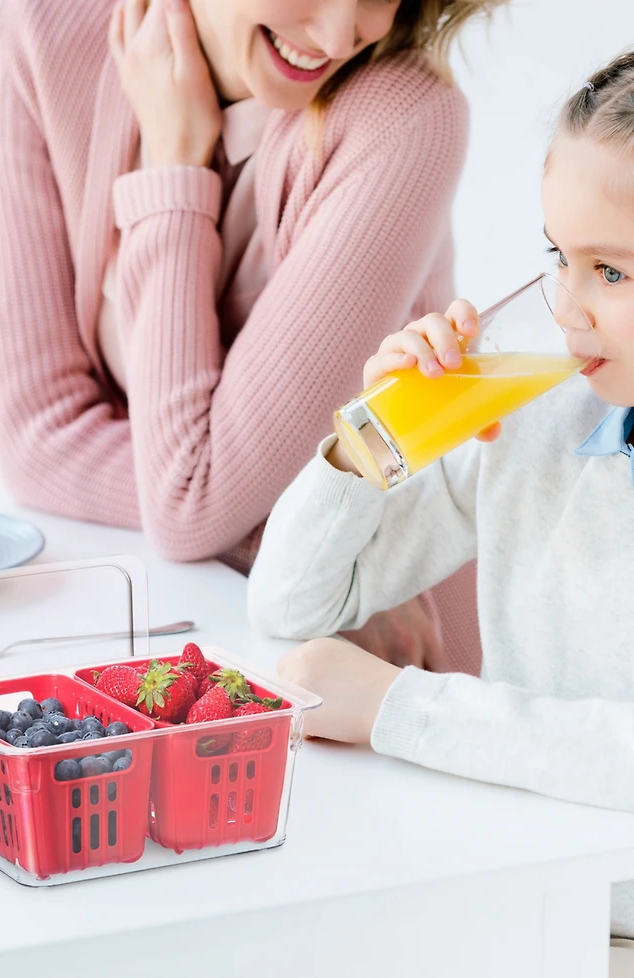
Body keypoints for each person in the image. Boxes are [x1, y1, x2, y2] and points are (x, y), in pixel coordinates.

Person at [0, 0, 503, 673]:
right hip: (192, 622)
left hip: (365, 654)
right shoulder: (43, 37)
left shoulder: (403, 113)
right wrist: (297, 535)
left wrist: (171, 167)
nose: (342, 35)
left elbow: (190, 502)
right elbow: (36, 438)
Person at [247, 52, 634, 959]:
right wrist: (372, 441)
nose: (566, 309)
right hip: (525, 912)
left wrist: (396, 707)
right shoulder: (546, 420)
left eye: (612, 273)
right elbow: (294, 604)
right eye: (559, 258)